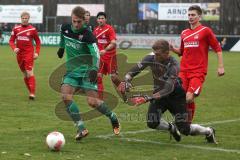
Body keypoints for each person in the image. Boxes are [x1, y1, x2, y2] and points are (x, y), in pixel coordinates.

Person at [119, 39, 217, 143]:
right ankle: (171, 128)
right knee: (152, 123)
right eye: (155, 54)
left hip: (176, 96)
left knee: (184, 129)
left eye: (159, 55)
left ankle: (208, 131)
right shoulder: (150, 58)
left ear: (167, 53)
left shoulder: (174, 65)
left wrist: (146, 98)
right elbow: (133, 71)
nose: (156, 57)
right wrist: (126, 80)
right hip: (159, 95)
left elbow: (168, 89)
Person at [56, 6, 120, 141]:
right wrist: (61, 47)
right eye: (74, 21)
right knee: (65, 97)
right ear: (71, 18)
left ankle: (112, 116)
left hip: (86, 72)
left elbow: (96, 53)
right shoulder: (65, 28)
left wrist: (94, 69)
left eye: (79, 21)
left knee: (92, 102)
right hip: (72, 72)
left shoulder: (88, 35)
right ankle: (81, 128)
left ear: (84, 21)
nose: (77, 24)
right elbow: (62, 36)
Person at [170, 5, 225, 123]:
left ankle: (187, 123)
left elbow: (218, 48)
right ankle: (183, 122)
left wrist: (220, 67)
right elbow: (182, 52)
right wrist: (172, 49)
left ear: (199, 17)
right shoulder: (184, 33)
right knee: (180, 98)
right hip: (183, 71)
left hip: (198, 72)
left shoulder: (205, 31)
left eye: (193, 15)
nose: (190, 17)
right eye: (189, 15)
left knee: (189, 97)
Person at [9, 12, 41, 100]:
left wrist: (37, 53)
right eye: (23, 18)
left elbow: (38, 42)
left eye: (26, 18)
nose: (24, 20)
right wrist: (14, 48)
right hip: (19, 55)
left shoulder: (32, 29)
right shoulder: (16, 29)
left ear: (28, 19)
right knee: (25, 74)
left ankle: (32, 94)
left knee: (29, 71)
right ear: (21, 18)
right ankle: (30, 91)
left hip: (29, 53)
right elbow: (11, 41)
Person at [93, 12, 123, 100]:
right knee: (98, 76)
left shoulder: (109, 29)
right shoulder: (95, 30)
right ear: (97, 20)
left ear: (105, 19)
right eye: (99, 18)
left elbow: (113, 43)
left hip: (110, 57)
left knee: (113, 78)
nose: (100, 20)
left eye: (102, 18)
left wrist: (105, 50)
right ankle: (100, 99)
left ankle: (122, 87)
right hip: (100, 57)